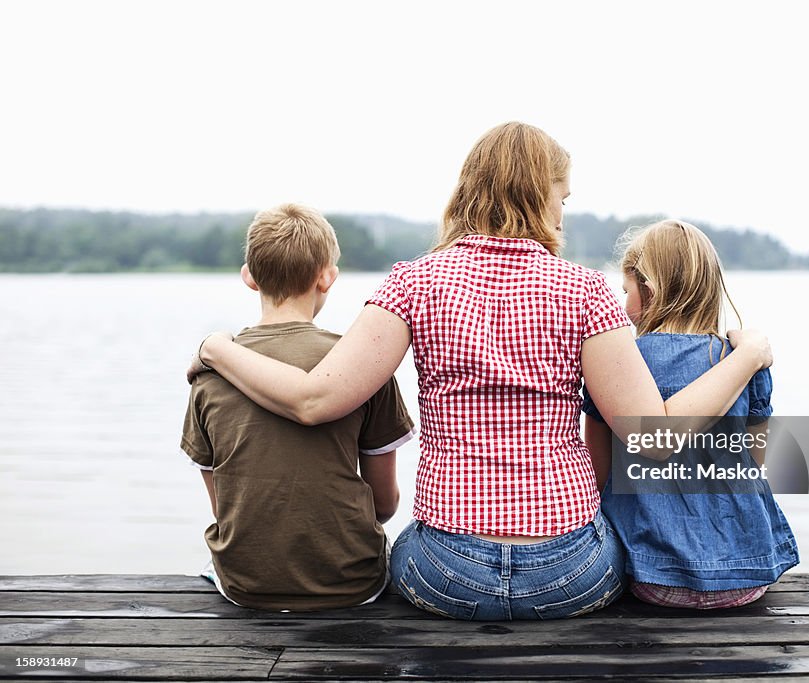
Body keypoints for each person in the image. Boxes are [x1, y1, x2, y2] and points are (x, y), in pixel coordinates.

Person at [187, 122, 773, 620]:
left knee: (401, 551)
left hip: (446, 573)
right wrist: (746, 354)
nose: (563, 215)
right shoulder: (589, 293)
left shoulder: (412, 282)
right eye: (561, 199)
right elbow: (656, 440)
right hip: (570, 575)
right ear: (537, 196)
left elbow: (314, 400)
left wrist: (218, 350)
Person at [180, 203, 414, 611]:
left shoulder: (210, 371)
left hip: (244, 583)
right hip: (352, 583)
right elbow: (384, 504)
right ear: (328, 277)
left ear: (249, 277)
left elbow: (226, 505)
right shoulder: (360, 366)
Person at [582, 219, 799, 609]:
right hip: (746, 579)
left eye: (625, 289)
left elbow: (596, 478)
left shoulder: (619, 363)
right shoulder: (743, 362)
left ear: (649, 288)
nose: (622, 302)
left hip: (651, 579)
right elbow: (752, 464)